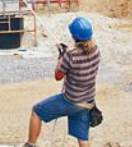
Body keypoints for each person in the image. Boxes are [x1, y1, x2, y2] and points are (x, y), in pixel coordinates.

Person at [24, 17, 101, 147]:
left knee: (37, 111)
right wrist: (66, 55)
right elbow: (81, 57)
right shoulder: (96, 51)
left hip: (71, 101)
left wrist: (61, 56)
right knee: (82, 137)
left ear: (73, 36)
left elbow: (58, 76)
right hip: (88, 102)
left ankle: (30, 144)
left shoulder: (70, 55)